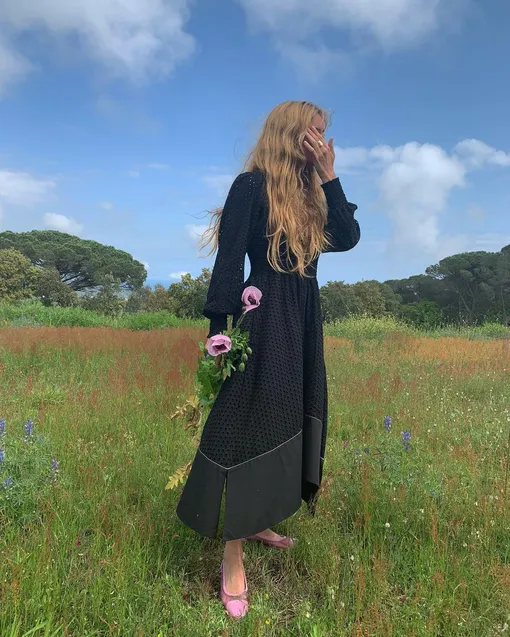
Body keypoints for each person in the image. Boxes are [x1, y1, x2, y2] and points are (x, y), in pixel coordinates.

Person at [177, 100, 360, 618]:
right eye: (314, 132)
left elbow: (347, 238)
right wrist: (219, 334)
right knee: (245, 422)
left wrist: (329, 176)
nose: (321, 141)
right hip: (263, 315)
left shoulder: (310, 194)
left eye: (325, 135)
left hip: (304, 320)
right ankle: (231, 554)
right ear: (291, 132)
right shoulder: (251, 187)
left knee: (287, 415)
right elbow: (229, 259)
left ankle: (257, 519)